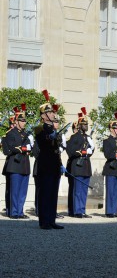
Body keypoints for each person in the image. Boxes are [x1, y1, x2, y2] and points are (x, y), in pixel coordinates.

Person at [35, 90, 65, 230]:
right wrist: (50, 136)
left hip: (54, 164)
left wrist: (60, 164)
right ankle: (44, 221)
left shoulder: (54, 128)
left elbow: (57, 150)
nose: (53, 114)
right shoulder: (40, 128)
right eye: (50, 112)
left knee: (53, 193)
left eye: (53, 112)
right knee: (45, 193)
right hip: (45, 164)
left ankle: (52, 219)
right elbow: (43, 142)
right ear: (44, 115)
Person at [3, 104, 33, 219]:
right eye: (21, 120)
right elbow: (11, 148)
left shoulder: (26, 134)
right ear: (16, 121)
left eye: (25, 120)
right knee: (14, 191)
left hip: (25, 165)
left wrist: (32, 143)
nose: (24, 122)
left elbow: (33, 149)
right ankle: (14, 212)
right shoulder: (11, 133)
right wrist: (23, 148)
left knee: (22, 191)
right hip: (14, 165)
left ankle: (20, 211)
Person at [66, 108, 95, 218]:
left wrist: (91, 150)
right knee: (77, 190)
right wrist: (82, 151)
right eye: (84, 124)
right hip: (77, 166)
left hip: (86, 166)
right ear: (79, 125)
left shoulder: (88, 137)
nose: (86, 126)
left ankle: (82, 210)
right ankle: (77, 211)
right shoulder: (74, 137)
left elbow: (90, 152)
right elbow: (70, 151)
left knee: (83, 191)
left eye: (87, 124)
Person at [102, 112, 117, 218]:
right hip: (111, 167)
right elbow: (107, 154)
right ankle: (109, 211)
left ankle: (114, 210)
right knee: (110, 191)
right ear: (110, 129)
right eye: (115, 128)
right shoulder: (106, 141)